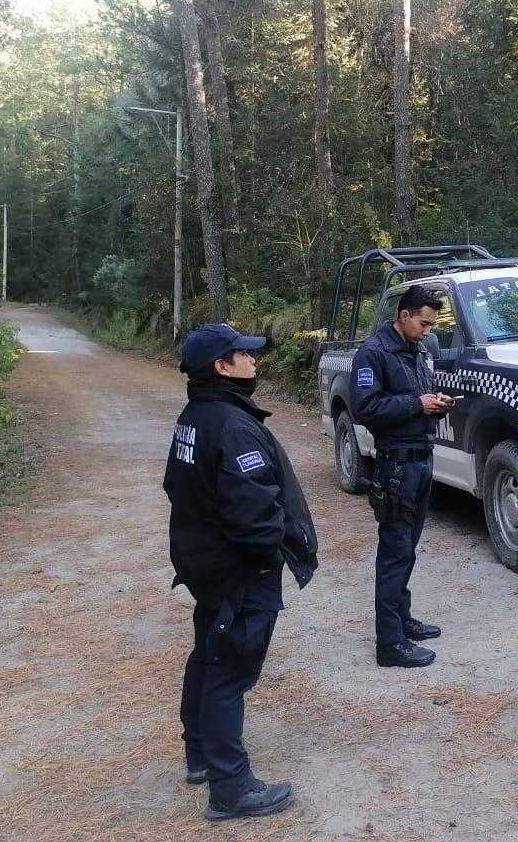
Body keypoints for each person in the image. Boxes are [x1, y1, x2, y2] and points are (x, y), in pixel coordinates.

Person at [163, 323, 319, 820]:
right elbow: (253, 516)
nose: (254, 361)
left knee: (208, 657)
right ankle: (230, 788)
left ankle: (200, 756)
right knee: (229, 671)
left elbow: (174, 485)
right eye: (244, 355)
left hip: (206, 565)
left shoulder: (195, 415)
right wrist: (272, 553)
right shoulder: (232, 425)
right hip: (238, 573)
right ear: (222, 367)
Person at [350, 285, 455, 668]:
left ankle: (402, 618)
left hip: (421, 460)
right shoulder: (374, 353)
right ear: (404, 315)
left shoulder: (419, 351)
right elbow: (364, 408)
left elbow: (419, 399)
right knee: (395, 552)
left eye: (432, 325)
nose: (428, 331)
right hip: (396, 466)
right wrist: (416, 403)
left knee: (407, 549)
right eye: (424, 323)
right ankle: (390, 643)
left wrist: (436, 405)